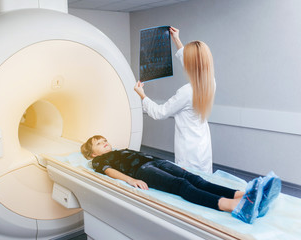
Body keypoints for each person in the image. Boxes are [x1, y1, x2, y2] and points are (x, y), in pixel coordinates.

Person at [81, 135, 282, 224]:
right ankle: (235, 206)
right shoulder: (98, 162)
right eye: (99, 143)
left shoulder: (120, 150)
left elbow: (149, 156)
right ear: (92, 154)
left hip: (156, 163)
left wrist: (175, 166)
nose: (105, 143)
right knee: (181, 185)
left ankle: (246, 195)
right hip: (142, 171)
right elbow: (109, 171)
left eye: (105, 140)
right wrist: (130, 180)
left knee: (195, 178)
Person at [134, 26, 215, 174]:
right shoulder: (210, 83)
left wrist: (142, 95)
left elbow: (159, 113)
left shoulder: (186, 92)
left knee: (190, 184)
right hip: (202, 146)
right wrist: (176, 39)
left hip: (188, 152)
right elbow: (193, 64)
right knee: (204, 182)